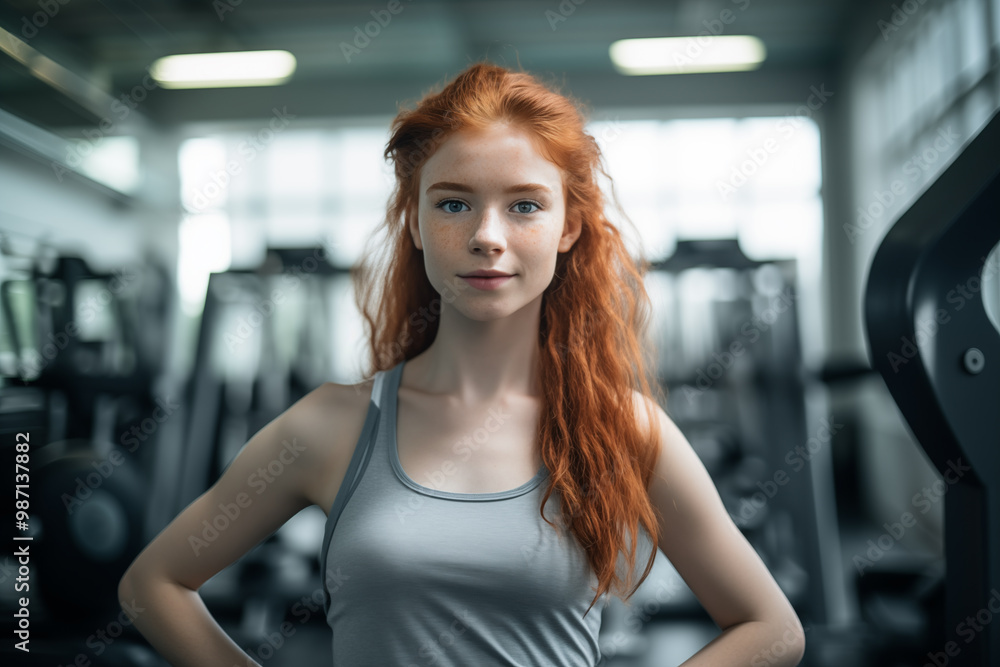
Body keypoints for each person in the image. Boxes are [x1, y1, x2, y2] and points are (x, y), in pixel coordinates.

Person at [118, 61, 805, 667]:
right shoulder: (330, 426)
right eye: (453, 203)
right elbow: (154, 584)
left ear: (568, 227)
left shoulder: (624, 428)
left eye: (525, 206)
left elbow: (771, 629)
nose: (486, 236)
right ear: (415, 222)